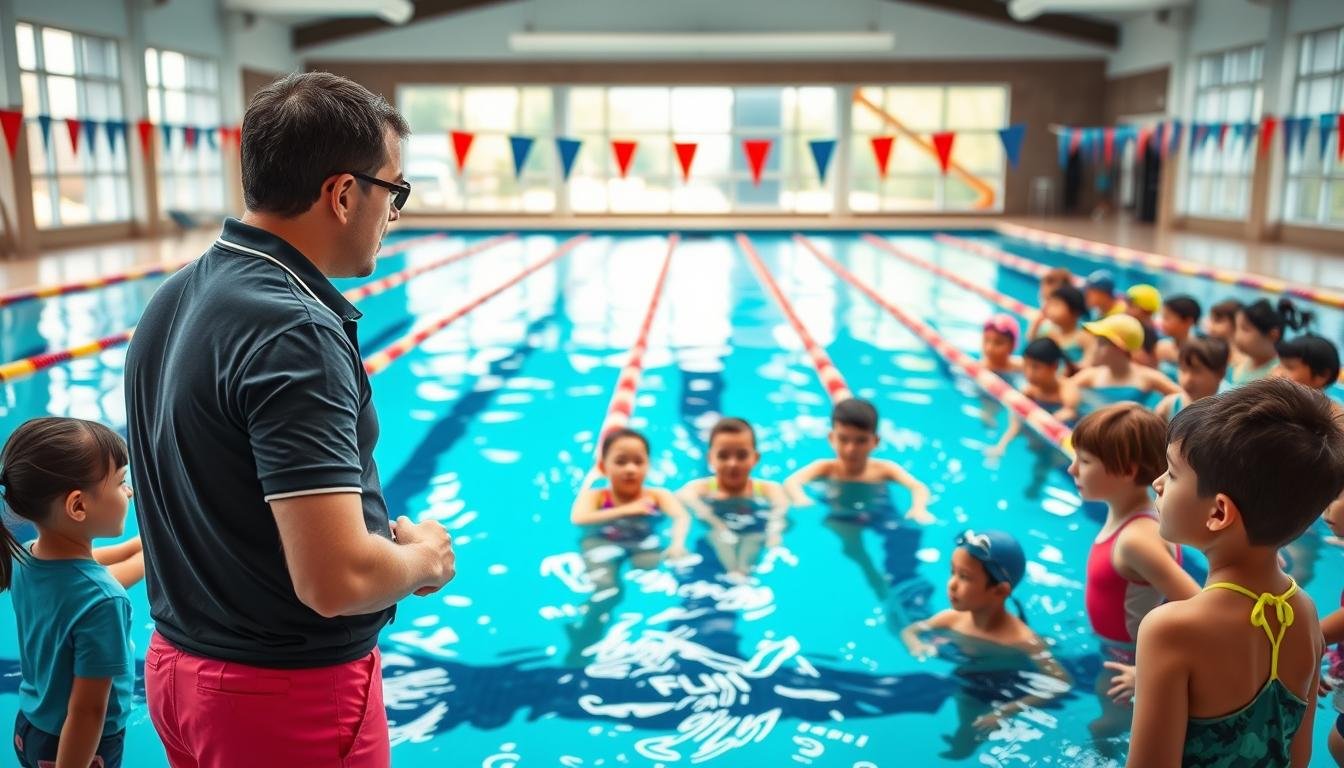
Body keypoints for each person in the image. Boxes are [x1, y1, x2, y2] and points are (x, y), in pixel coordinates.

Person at [124, 73, 456, 766]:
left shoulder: (178, 295)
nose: (395, 214)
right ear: (342, 194)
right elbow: (335, 580)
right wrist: (423, 560)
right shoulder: (294, 331)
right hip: (282, 700)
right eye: (394, 192)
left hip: (179, 669)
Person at [1127, 378, 1344, 767]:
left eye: (1173, 474)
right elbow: (1299, 758)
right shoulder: (1304, 612)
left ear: (1218, 513)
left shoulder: (1171, 629)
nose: (1158, 482)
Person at [0, 418, 145, 768]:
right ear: (78, 506)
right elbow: (88, 712)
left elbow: (100, 568)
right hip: (78, 748)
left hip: (32, 728)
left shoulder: (28, 556)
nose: (128, 492)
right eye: (121, 482)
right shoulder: (104, 601)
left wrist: (159, 543)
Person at [1068, 404, 1200, 744]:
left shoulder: (1136, 539)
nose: (1071, 469)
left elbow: (1202, 607)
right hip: (1121, 651)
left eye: (1084, 461)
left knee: (1105, 730)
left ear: (1126, 470)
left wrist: (1147, 672)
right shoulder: (1133, 516)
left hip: (1127, 661)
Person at [901, 530, 1071, 757]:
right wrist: (917, 646)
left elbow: (1062, 682)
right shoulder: (950, 619)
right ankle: (963, 747)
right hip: (971, 677)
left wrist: (1006, 711)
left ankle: (964, 747)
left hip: (1010, 682)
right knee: (967, 720)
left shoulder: (1023, 640)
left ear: (999, 590)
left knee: (972, 727)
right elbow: (911, 631)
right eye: (952, 572)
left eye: (964, 577)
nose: (951, 584)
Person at [569, 428, 691, 664]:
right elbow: (578, 518)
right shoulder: (595, 496)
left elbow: (681, 517)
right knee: (607, 588)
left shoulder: (658, 495)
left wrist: (677, 544)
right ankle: (585, 632)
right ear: (604, 467)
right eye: (621, 461)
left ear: (648, 465)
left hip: (642, 542)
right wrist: (626, 510)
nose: (630, 469)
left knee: (648, 569)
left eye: (638, 461)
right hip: (600, 541)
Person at [785, 398, 933, 524]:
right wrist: (801, 499)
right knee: (843, 534)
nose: (851, 449)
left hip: (879, 511)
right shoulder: (825, 468)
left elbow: (918, 487)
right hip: (839, 512)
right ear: (831, 438)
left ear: (875, 441)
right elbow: (792, 482)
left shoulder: (884, 470)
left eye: (861, 441)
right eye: (843, 439)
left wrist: (918, 509)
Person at [676, 418, 789, 580]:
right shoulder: (703, 488)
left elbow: (780, 511)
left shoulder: (767, 489)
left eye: (742, 455)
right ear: (710, 458)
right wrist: (712, 519)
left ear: (755, 458)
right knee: (718, 535)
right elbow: (682, 496)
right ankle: (733, 572)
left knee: (755, 538)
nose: (732, 463)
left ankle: (743, 571)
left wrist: (774, 534)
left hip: (753, 529)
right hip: (719, 527)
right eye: (723, 456)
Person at [985, 338, 1080, 457]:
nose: (1029, 373)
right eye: (1026, 366)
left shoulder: (1067, 390)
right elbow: (1016, 421)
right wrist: (1002, 445)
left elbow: (1070, 413)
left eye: (1035, 367)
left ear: (1053, 367)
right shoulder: (1030, 391)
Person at [1069, 314, 1180, 412]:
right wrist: (1069, 407)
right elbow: (1064, 387)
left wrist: (1162, 411)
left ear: (1120, 348)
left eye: (1102, 343)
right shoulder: (1090, 375)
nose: (1095, 349)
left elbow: (1182, 396)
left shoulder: (1147, 377)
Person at [1227, 298, 1314, 388]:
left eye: (1245, 329)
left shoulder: (1277, 375)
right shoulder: (1239, 359)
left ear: (1273, 335)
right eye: (1237, 328)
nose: (1237, 336)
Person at [1155, 337, 1231, 422]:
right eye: (1183, 369)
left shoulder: (1233, 407)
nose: (1188, 379)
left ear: (1220, 373)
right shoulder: (1168, 407)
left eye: (1197, 371)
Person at [1028, 285, 1094, 373]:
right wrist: (1036, 323)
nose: (1050, 310)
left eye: (1056, 305)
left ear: (1075, 312)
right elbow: (1032, 346)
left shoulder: (1084, 337)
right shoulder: (1049, 331)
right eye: (1050, 305)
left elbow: (1088, 365)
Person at [1274, 333, 1341, 393]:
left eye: (1289, 367)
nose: (1278, 374)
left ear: (1321, 375)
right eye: (1280, 366)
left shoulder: (1327, 406)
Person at [1154, 294, 1201, 374]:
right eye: (1162, 317)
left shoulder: (1200, 352)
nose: (1162, 323)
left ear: (1188, 321)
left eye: (1167, 318)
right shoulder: (1161, 346)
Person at [1124, 284, 1162, 368]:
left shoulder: (1148, 333)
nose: (1125, 308)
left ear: (1147, 310)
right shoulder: (1136, 326)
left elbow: (1151, 365)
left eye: (1130, 305)